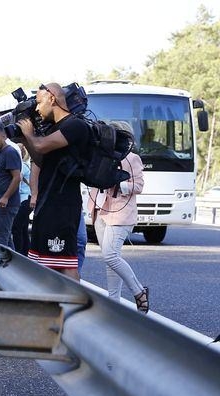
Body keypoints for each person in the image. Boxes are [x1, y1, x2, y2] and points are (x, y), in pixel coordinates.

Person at [19, 82, 91, 281]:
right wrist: (26, 140)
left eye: (39, 102)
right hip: (47, 203)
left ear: (52, 98)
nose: (36, 108)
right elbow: (41, 159)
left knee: (65, 263)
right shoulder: (55, 129)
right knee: (45, 261)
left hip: (63, 205)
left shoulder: (75, 125)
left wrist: (29, 133)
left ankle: (77, 307)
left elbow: (40, 146)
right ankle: (52, 305)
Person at [87, 121, 149, 312]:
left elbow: (138, 186)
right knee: (109, 259)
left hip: (120, 211)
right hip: (100, 209)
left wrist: (118, 183)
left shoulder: (132, 158)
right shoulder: (101, 154)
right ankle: (114, 302)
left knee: (111, 255)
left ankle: (139, 291)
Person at [0, 122, 22, 248]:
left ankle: (0, 266)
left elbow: (17, 177)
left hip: (7, 203)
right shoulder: (0, 153)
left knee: (0, 238)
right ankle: (16, 266)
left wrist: (6, 197)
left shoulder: (10, 152)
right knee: (5, 239)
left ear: (4, 136)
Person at [11, 144, 33, 255]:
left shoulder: (21, 166)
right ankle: (26, 253)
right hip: (26, 199)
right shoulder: (22, 165)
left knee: (16, 227)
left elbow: (17, 187)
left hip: (25, 199)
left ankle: (18, 253)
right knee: (23, 228)